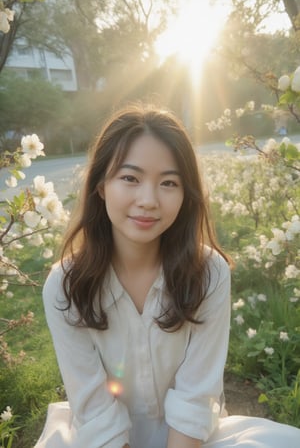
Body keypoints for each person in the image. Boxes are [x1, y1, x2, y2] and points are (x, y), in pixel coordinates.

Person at [34, 104, 300, 448]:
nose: (148, 200)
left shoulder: (209, 273)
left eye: (168, 183)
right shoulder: (65, 286)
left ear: (184, 194)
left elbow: (196, 396)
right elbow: (95, 409)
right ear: (101, 185)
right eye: (130, 178)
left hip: (194, 438)